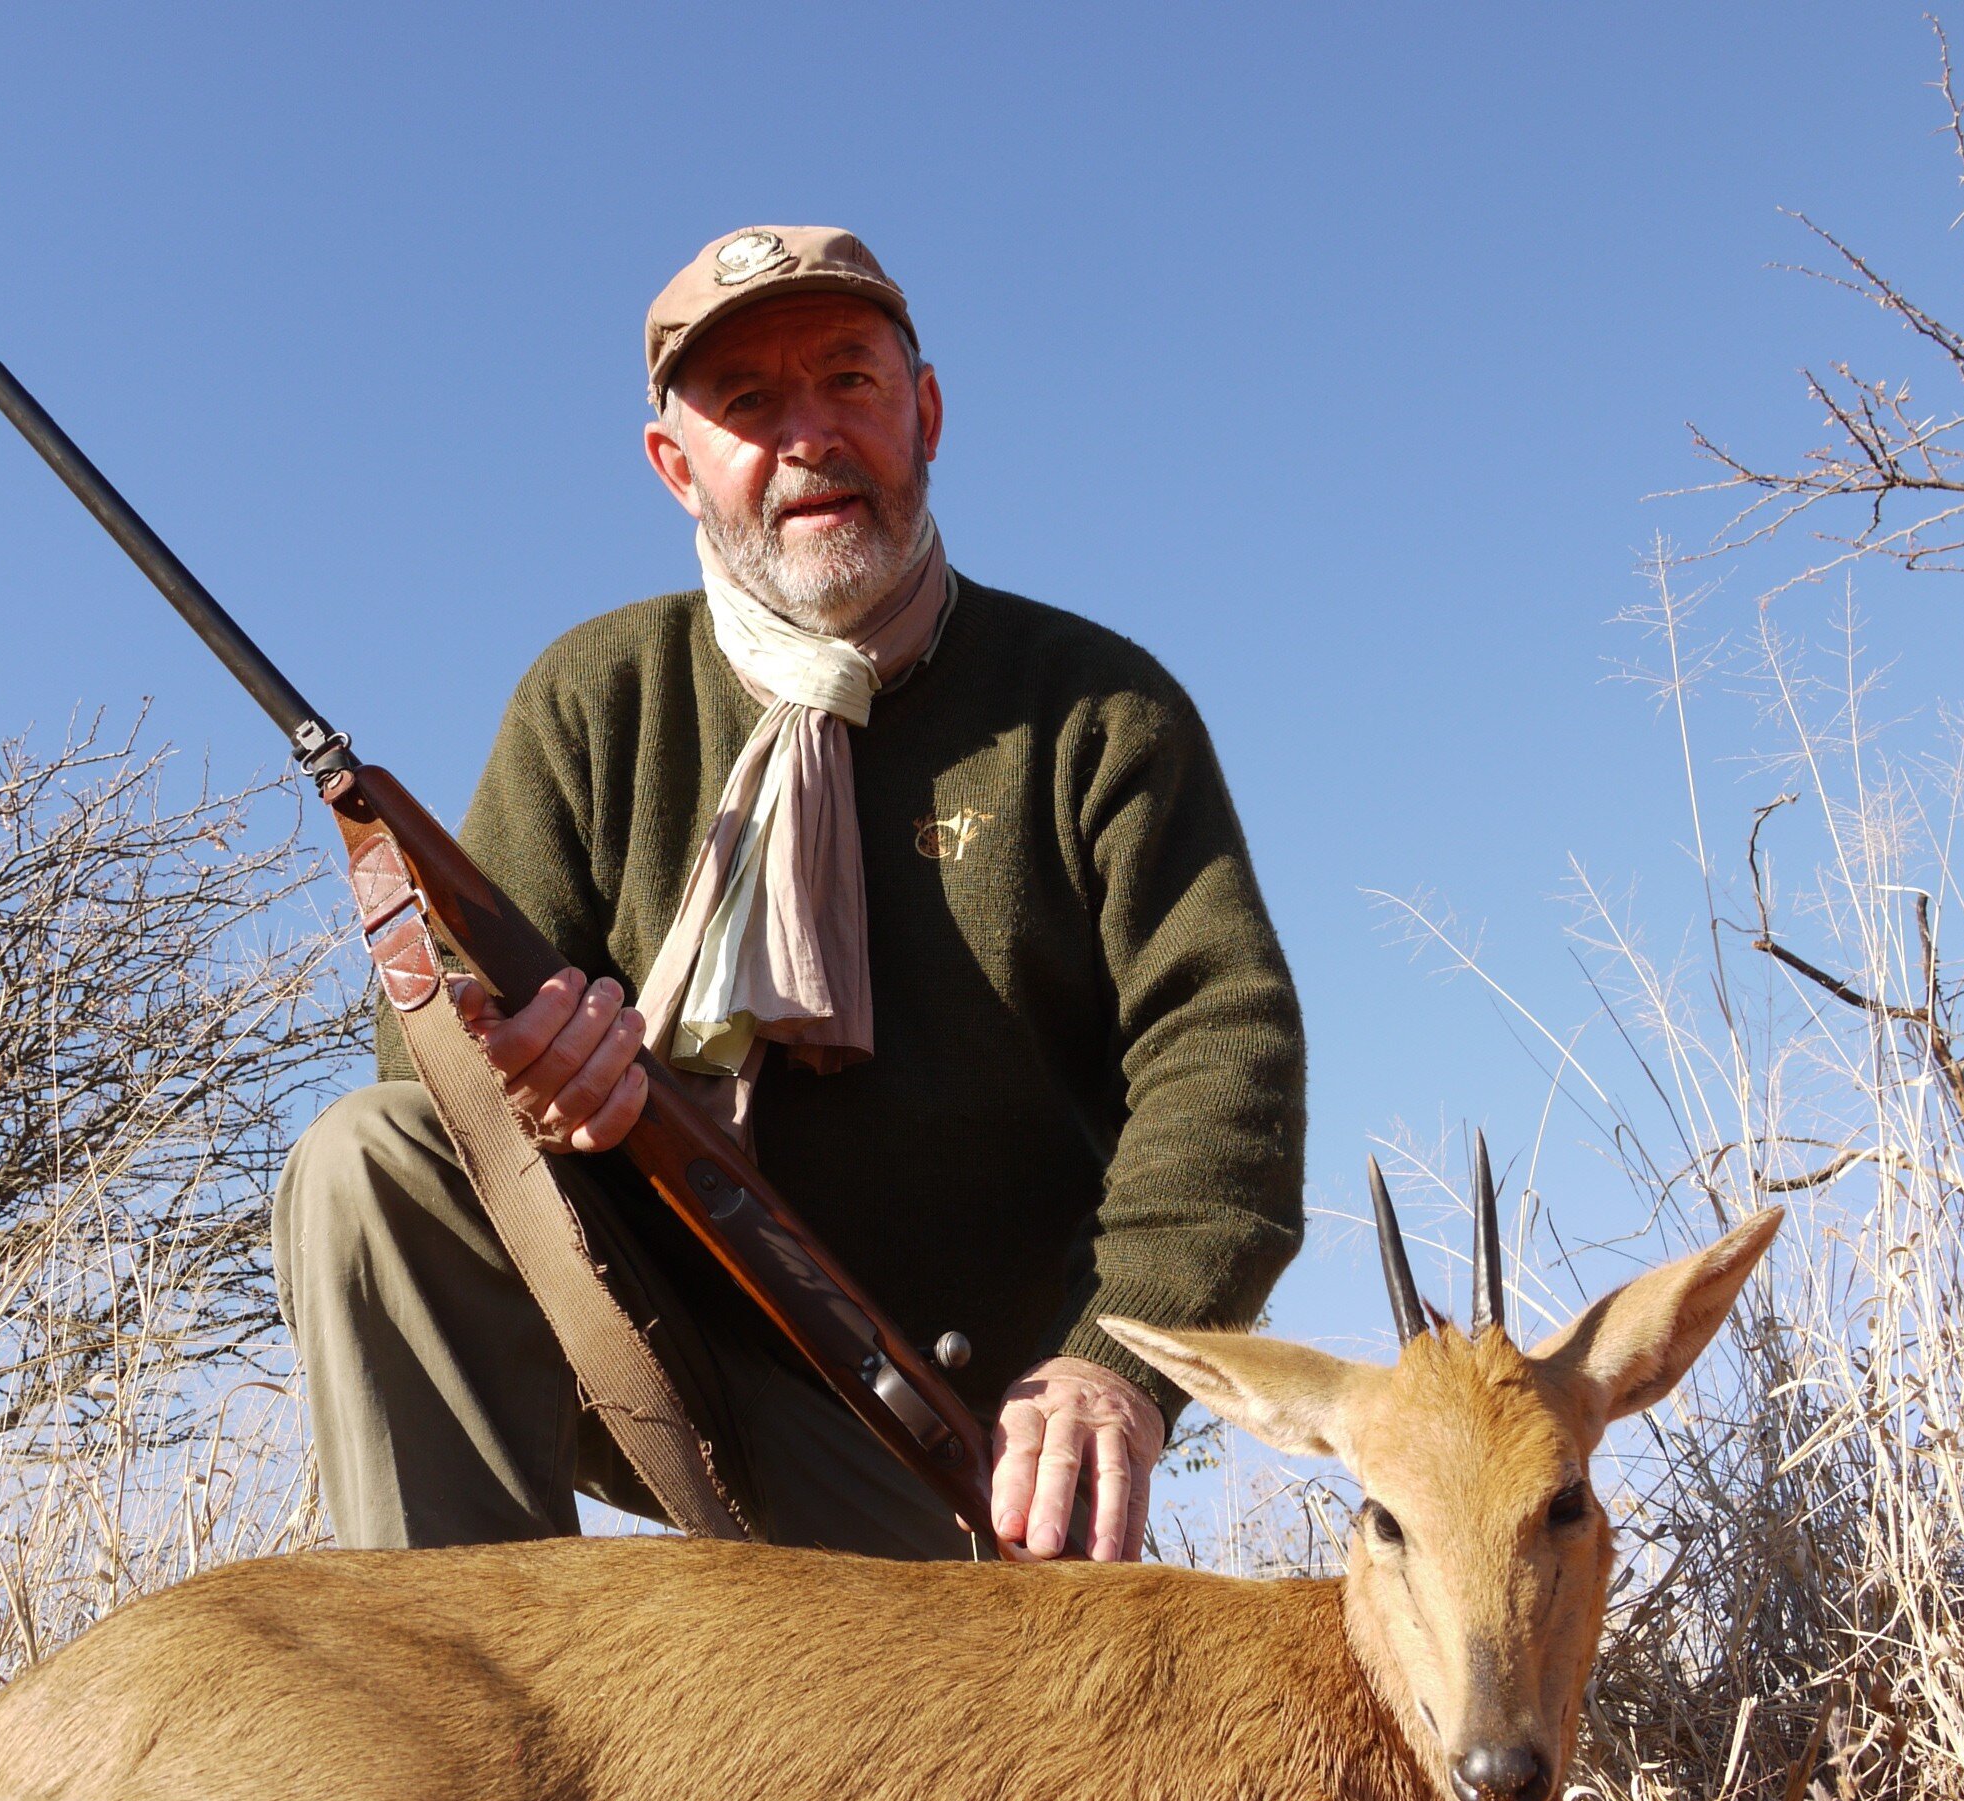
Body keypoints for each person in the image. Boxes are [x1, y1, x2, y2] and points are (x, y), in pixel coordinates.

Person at [275, 225, 1305, 1564]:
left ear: (924, 412)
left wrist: (1113, 1366)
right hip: (653, 1353)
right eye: (748, 404)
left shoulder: (1098, 709)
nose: (809, 435)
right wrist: (521, 1084)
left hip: (959, 1438)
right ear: (676, 467)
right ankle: (469, 1704)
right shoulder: (595, 697)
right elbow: (434, 1056)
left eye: (849, 382)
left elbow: (1223, 1056)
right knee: (369, 1159)